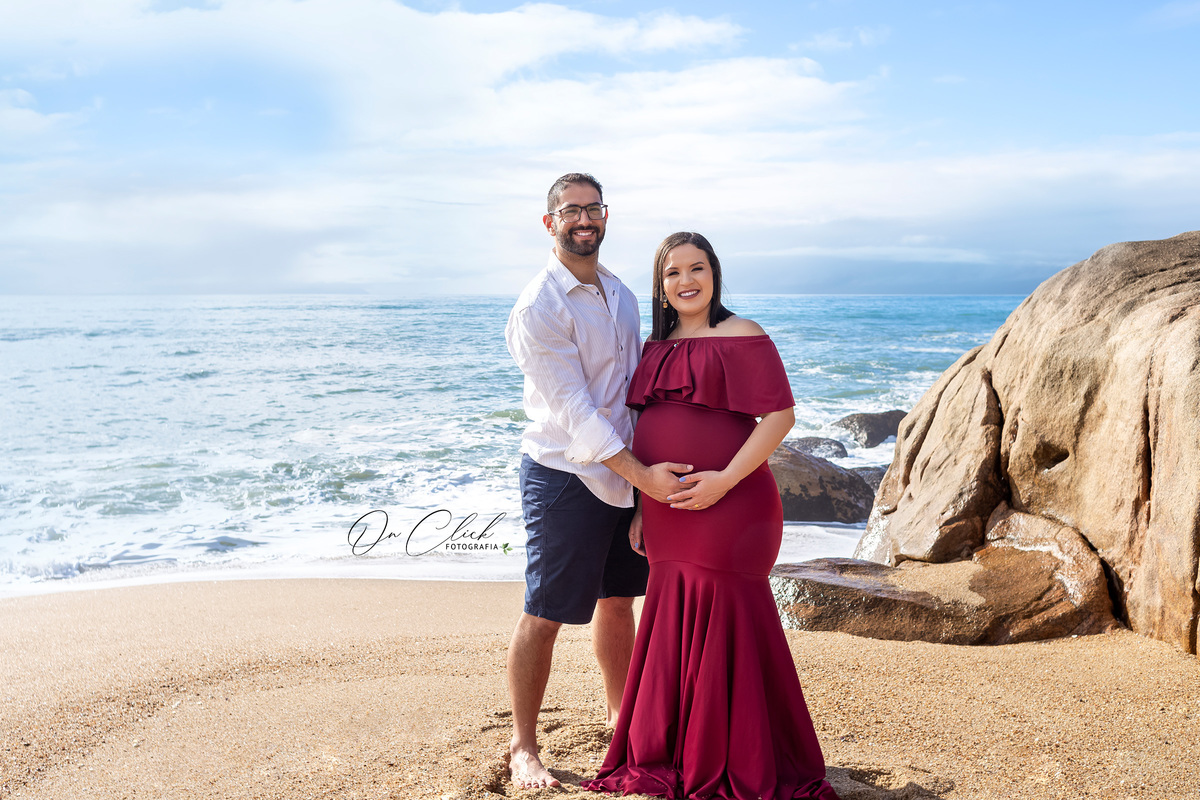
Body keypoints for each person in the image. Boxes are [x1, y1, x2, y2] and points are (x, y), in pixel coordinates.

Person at [582, 232, 839, 800]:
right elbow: (644, 434)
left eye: (697, 268)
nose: (686, 281)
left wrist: (724, 481)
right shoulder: (656, 345)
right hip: (669, 512)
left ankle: (736, 756)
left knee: (726, 616)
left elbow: (780, 417)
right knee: (672, 613)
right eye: (673, 273)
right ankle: (675, 752)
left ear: (715, 274)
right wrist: (645, 509)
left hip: (734, 504)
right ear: (661, 285)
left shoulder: (742, 334)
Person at [504, 174, 696, 789]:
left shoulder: (620, 293)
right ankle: (524, 745)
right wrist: (643, 476)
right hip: (564, 475)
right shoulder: (539, 305)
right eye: (570, 211)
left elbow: (633, 395)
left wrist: (641, 492)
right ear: (549, 221)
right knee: (547, 611)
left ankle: (621, 720)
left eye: (593, 209)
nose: (583, 219)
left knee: (619, 600)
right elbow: (576, 414)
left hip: (623, 475)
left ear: (605, 216)